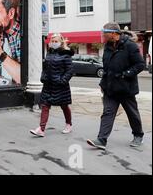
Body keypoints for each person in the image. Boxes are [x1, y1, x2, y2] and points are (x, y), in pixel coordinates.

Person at [87, 22, 145, 150]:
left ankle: (138, 135)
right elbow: (106, 68)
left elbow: (140, 64)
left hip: (126, 88)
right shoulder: (107, 46)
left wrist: (126, 74)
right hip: (110, 88)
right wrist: (103, 83)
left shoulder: (130, 46)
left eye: (104, 32)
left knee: (132, 113)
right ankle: (101, 140)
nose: (103, 34)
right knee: (107, 112)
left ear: (113, 34)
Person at [30, 33, 74, 137]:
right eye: (52, 41)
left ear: (61, 42)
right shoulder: (49, 53)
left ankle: (69, 124)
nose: (54, 43)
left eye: (56, 41)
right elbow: (45, 68)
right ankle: (41, 129)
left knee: (64, 106)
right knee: (45, 106)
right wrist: (43, 77)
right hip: (48, 85)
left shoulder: (66, 54)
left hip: (60, 86)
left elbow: (70, 71)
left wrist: (62, 80)